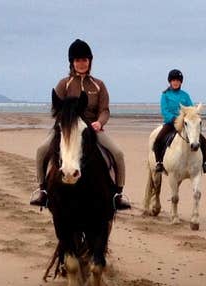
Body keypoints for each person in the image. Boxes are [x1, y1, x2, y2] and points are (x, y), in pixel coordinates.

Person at [30, 39, 131, 211]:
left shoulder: (99, 85)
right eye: (77, 60)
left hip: (91, 128)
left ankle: (118, 195)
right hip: (68, 130)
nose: (81, 63)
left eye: (85, 60)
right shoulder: (64, 84)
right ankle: (43, 191)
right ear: (72, 62)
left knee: (118, 153)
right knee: (41, 150)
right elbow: (57, 108)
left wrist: (99, 122)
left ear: (90, 61)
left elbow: (105, 110)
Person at [152, 69, 206, 174]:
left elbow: (191, 109)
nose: (175, 82)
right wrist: (174, 119)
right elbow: (164, 110)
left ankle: (205, 164)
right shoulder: (165, 95)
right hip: (171, 123)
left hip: (185, 124)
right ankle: (159, 162)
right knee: (158, 139)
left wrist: (193, 116)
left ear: (181, 82)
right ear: (170, 81)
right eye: (173, 80)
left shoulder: (185, 95)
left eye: (178, 80)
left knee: (202, 140)